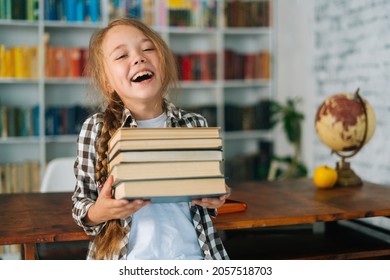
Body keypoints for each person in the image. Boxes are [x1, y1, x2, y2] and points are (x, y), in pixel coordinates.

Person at [71, 17, 230, 260]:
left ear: (163, 64)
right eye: (121, 56)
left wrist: (217, 196)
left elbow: (209, 198)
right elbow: (82, 207)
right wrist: (100, 211)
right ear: (107, 82)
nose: (138, 57)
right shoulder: (95, 128)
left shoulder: (195, 124)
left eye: (147, 48)